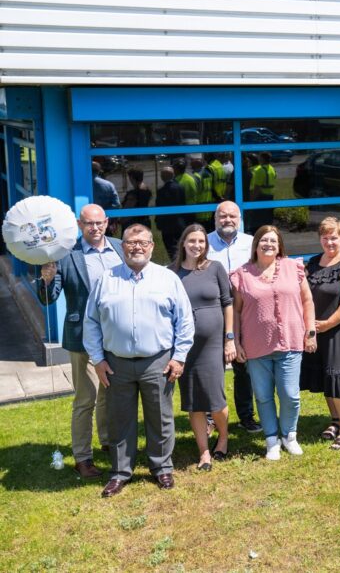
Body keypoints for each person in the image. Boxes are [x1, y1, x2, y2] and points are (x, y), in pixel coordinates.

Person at [83, 224, 194, 498]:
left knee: (161, 417)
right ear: (122, 247)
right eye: (131, 243)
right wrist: (97, 359)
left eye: (143, 242)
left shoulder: (167, 278)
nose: (137, 247)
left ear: (151, 247)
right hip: (116, 363)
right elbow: (91, 322)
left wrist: (179, 357)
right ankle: (120, 472)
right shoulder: (106, 279)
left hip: (158, 361)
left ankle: (162, 467)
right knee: (120, 419)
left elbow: (184, 320)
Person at [36, 204, 124, 480]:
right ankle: (83, 457)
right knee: (87, 398)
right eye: (88, 223)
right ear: (79, 224)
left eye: (99, 223)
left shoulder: (120, 248)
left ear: (106, 222)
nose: (94, 228)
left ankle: (108, 442)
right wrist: (46, 280)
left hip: (117, 336)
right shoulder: (65, 254)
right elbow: (49, 297)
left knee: (110, 394)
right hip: (82, 337)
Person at [231, 225, 317, 460]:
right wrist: (236, 342)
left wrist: (310, 331)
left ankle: (289, 435)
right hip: (256, 345)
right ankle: (271, 439)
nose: (268, 244)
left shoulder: (293, 267)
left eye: (273, 241)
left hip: (290, 341)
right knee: (263, 395)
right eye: (264, 240)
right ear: (256, 245)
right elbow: (236, 311)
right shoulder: (242, 274)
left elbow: (307, 300)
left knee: (290, 395)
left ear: (279, 246)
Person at [170, 224, 233, 470]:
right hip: (184, 346)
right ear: (183, 243)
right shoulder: (171, 273)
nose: (197, 245)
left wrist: (230, 338)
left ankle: (223, 437)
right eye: (192, 241)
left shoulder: (215, 268)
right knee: (193, 399)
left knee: (215, 398)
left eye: (201, 241)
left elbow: (227, 303)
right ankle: (204, 451)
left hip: (213, 344)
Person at [300, 217, 340, 450]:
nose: (329, 242)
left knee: (339, 374)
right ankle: (335, 421)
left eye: (334, 237)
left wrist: (329, 323)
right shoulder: (314, 262)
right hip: (318, 329)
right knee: (326, 374)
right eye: (325, 237)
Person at [206, 201, 261, 434]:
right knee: (212, 367)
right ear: (215, 219)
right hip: (212, 311)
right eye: (223, 216)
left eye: (232, 216)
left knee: (243, 366)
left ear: (240, 220)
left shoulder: (251, 243)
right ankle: (210, 417)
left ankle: (246, 416)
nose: (227, 220)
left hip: (243, 312)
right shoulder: (204, 242)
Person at [154, 166, 187, 257]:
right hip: (179, 223)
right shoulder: (180, 188)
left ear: (162, 177)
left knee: (171, 249)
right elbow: (184, 204)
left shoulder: (161, 191)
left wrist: (158, 222)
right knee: (181, 248)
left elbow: (159, 208)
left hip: (166, 225)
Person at [248, 152, 276, 231]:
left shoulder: (260, 170)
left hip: (261, 197)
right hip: (270, 197)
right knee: (267, 221)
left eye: (259, 157)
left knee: (257, 223)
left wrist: (251, 201)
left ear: (262, 159)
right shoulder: (272, 169)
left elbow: (257, 188)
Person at [191, 156, 216, 231]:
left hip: (199, 211)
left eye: (192, 165)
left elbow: (193, 194)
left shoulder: (196, 177)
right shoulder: (209, 174)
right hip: (208, 211)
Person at [172, 158, 198, 226]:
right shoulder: (191, 179)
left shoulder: (175, 182)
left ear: (176, 169)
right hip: (192, 211)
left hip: (181, 212)